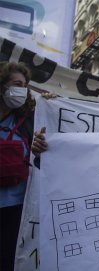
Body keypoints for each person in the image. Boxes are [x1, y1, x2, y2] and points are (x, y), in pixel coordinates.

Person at [0, 62, 35, 271]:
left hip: (16, 209)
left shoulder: (27, 119)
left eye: (25, 85)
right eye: (16, 84)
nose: (22, 89)